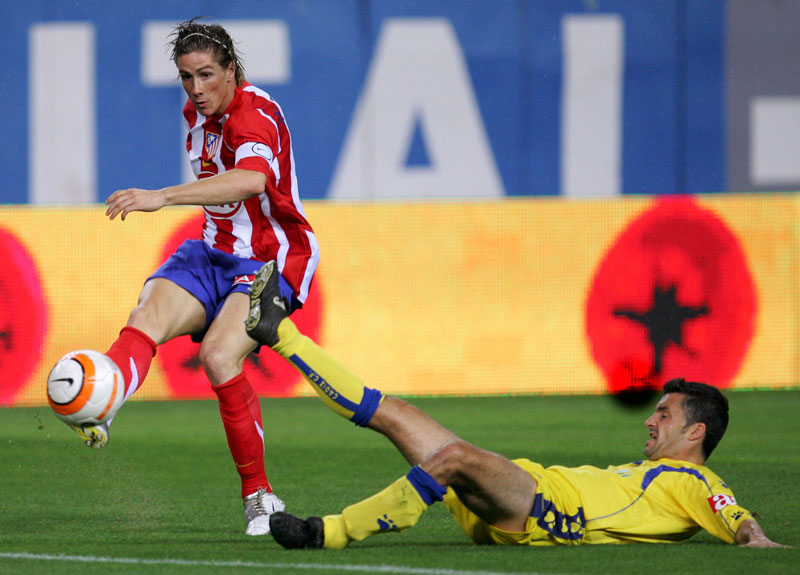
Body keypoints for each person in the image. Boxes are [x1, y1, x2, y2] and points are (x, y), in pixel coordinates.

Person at [242, 262, 786, 548]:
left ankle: (328, 532)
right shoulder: (655, 475)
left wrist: (757, 539)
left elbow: (737, 520)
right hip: (524, 486)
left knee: (453, 458)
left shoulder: (696, 483)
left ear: (696, 433)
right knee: (394, 411)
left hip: (542, 510)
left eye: (664, 414)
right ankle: (280, 332)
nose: (650, 419)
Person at [65, 19, 319, 537]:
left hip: (271, 259)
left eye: (206, 74)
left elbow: (251, 180)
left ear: (231, 70)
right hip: (212, 251)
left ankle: (259, 495)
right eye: (186, 77)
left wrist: (162, 196)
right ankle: (102, 401)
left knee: (219, 356)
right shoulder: (197, 114)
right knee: (145, 315)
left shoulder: (255, 113)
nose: (196, 88)